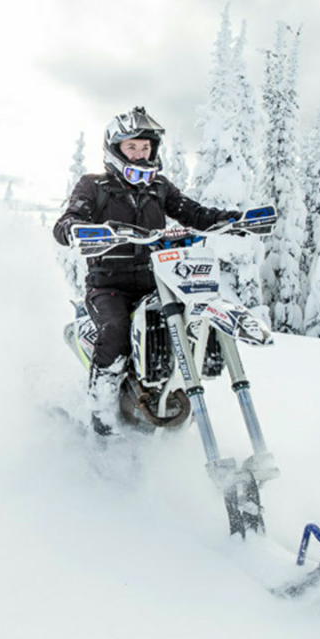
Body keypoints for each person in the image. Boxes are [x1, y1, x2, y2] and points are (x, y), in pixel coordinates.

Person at [53, 107, 241, 436]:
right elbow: (67, 220)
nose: (141, 155)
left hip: (157, 284)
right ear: (115, 150)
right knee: (114, 332)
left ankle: (178, 391)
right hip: (109, 286)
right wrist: (76, 229)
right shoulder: (94, 186)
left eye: (146, 148)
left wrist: (232, 220)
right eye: (132, 148)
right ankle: (103, 419)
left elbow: (194, 213)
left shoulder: (160, 188)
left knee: (195, 322)